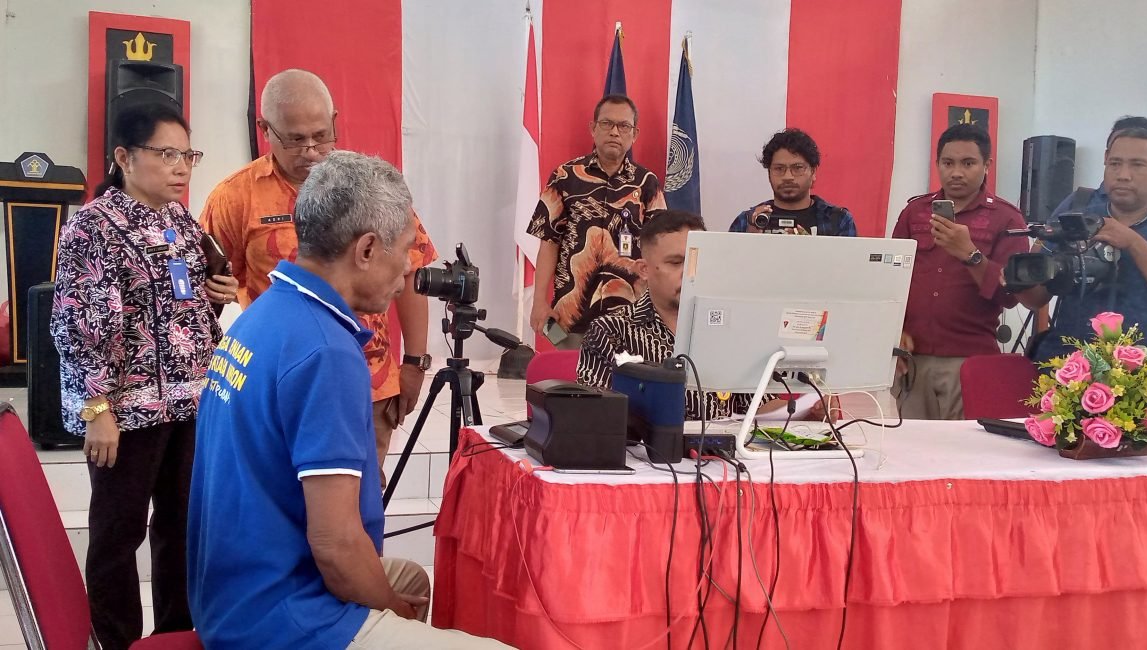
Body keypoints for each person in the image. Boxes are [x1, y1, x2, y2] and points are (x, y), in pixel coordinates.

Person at [188, 152, 511, 649]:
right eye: (405, 251)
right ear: (366, 249)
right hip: (277, 617)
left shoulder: (267, 311)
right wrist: (392, 611)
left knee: (413, 581)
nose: (409, 269)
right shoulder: (326, 351)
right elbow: (335, 547)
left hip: (229, 591)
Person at [50, 103, 238, 650]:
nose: (182, 167)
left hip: (188, 403)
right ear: (124, 157)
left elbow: (182, 312)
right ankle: (114, 641)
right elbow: (78, 323)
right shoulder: (93, 227)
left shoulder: (180, 221)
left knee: (181, 526)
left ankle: (175, 635)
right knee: (118, 533)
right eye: (167, 154)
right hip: (125, 412)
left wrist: (217, 296)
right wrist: (97, 409)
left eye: (188, 155)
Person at [200, 69, 436, 487]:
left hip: (368, 379)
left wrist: (415, 362)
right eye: (295, 140)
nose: (311, 151)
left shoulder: (371, 190)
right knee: (288, 499)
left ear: (335, 121)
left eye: (321, 136)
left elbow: (411, 269)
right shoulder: (236, 197)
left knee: (362, 498)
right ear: (265, 130)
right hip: (280, 381)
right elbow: (210, 283)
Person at [577, 210, 833, 421]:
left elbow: (757, 408)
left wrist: (805, 413)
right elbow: (593, 414)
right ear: (644, 270)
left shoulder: (730, 332)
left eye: (698, 261)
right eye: (676, 263)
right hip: (645, 461)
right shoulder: (610, 331)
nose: (690, 273)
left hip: (726, 462)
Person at [891, 124, 1029, 420]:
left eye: (968, 163)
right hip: (912, 358)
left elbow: (1010, 296)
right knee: (910, 445)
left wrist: (970, 254)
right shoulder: (915, 212)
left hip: (968, 360)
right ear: (937, 163)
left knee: (964, 445)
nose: (956, 172)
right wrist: (893, 332)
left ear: (987, 165)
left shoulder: (1007, 218)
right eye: (948, 163)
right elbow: (889, 279)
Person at [527, 94, 668, 349]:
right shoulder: (565, 177)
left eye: (623, 126)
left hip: (629, 319)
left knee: (625, 376)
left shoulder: (647, 183)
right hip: (571, 318)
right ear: (593, 128)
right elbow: (548, 243)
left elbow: (660, 249)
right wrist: (539, 302)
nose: (615, 132)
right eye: (606, 124)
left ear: (634, 134)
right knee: (572, 374)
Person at [1018, 128, 1147, 361]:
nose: (1123, 175)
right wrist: (1020, 281)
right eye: (1115, 163)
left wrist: (1132, 242)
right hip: (1068, 367)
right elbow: (1036, 299)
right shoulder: (1078, 209)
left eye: (1137, 165)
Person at [729, 128, 857, 236]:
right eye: (779, 169)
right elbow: (729, 258)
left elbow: (849, 259)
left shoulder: (839, 220)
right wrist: (750, 240)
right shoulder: (747, 221)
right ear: (769, 173)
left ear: (813, 172)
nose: (788, 177)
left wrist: (811, 249)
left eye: (797, 168)